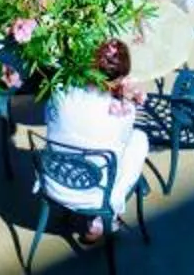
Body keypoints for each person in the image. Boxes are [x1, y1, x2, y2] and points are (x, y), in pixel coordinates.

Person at [43, 37, 149, 223]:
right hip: (94, 194)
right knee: (139, 139)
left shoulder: (59, 92)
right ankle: (100, 223)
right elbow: (121, 143)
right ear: (121, 79)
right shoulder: (120, 113)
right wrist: (126, 100)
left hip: (55, 180)